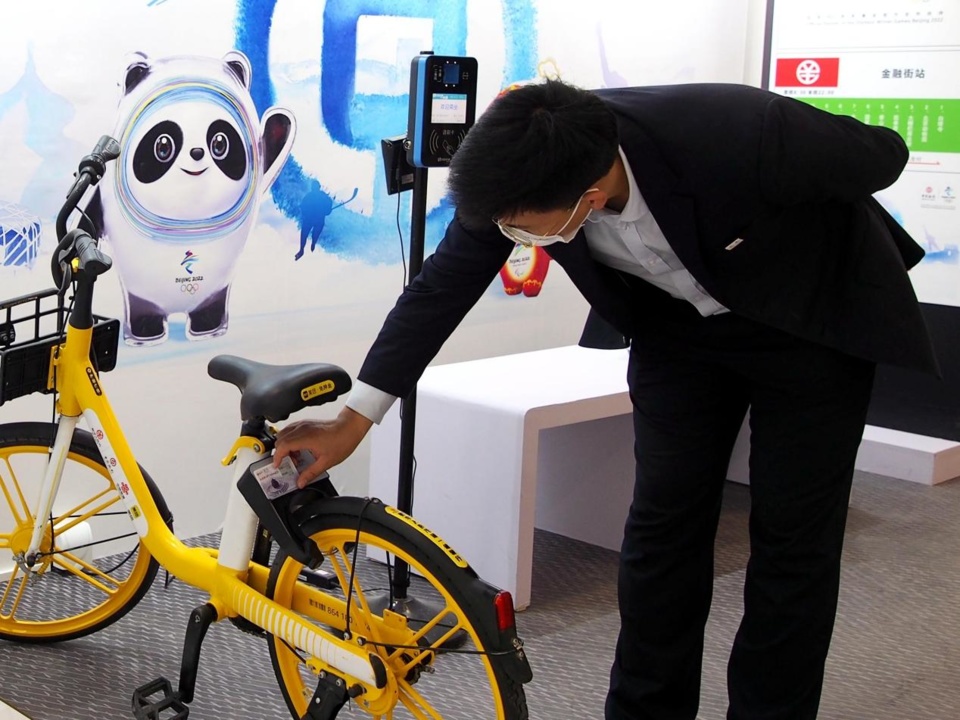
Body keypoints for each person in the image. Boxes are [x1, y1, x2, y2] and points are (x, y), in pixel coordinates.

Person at [274, 79, 937, 719]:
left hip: (807, 330)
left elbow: (882, 153)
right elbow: (437, 292)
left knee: (793, 544)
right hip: (679, 336)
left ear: (588, 195)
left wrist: (788, 221)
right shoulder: (519, 178)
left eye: (519, 225)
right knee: (661, 531)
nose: (509, 233)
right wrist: (353, 419)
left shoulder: (739, 132)